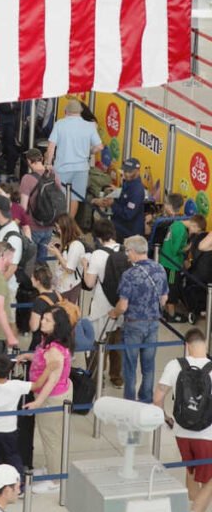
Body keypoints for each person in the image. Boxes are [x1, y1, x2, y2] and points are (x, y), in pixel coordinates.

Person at [154, 327, 212, 512]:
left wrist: (165, 418)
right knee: (209, 479)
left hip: (181, 430)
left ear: (186, 346)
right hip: (207, 434)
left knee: (191, 470)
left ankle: (196, 510)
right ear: (205, 345)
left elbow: (158, 396)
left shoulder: (174, 365)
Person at [18, 307, 74, 492]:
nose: (42, 322)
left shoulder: (55, 350)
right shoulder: (49, 342)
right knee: (50, 436)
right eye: (43, 318)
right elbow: (43, 361)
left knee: (51, 439)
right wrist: (30, 356)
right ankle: (52, 468)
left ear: (57, 325)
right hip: (52, 395)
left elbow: (52, 379)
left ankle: (55, 480)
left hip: (52, 398)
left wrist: (38, 402)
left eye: (48, 320)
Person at [108, 235, 169, 403]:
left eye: (127, 251)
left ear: (134, 251)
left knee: (130, 365)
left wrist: (114, 313)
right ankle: (146, 399)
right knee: (149, 366)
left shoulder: (130, 274)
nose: (127, 255)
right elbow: (164, 299)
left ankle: (129, 400)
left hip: (134, 325)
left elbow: (123, 306)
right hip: (154, 323)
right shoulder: (160, 269)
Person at [83, 218, 126, 388]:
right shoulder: (123, 250)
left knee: (96, 342)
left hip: (101, 305)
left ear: (98, 237)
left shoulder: (98, 254)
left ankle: (95, 377)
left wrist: (85, 265)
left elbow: (89, 283)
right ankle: (116, 377)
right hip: (120, 304)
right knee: (117, 342)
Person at [44, 98, 102, 216]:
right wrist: (89, 151)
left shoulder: (60, 124)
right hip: (82, 168)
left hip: (62, 167)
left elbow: (51, 146)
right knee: (75, 198)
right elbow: (99, 146)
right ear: (80, 111)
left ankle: (59, 223)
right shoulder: (90, 126)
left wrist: (48, 163)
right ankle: (69, 224)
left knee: (60, 196)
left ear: (66, 111)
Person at [112, 157, 147, 241]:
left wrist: (112, 204)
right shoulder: (128, 182)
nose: (126, 174)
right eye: (125, 171)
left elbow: (128, 214)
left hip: (129, 233)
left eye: (130, 172)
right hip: (121, 226)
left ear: (138, 171)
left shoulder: (137, 190)